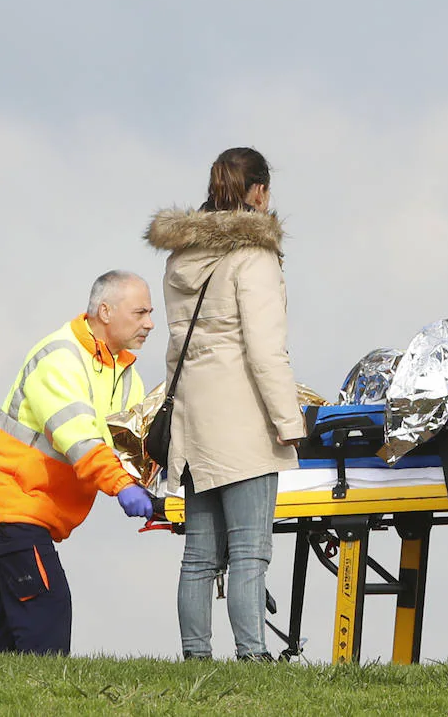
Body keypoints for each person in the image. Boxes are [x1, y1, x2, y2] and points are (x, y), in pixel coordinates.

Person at [145, 147, 305, 661]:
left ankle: (195, 655)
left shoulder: (180, 258)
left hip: (194, 418)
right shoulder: (252, 256)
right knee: (250, 552)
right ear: (258, 192)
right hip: (242, 421)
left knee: (198, 557)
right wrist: (288, 419)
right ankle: (253, 657)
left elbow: (177, 348)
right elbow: (265, 350)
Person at [0, 271, 155, 654]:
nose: (150, 323)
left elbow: (131, 450)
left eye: (150, 313)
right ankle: (44, 698)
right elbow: (79, 441)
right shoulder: (60, 357)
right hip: (12, 502)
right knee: (47, 610)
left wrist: (157, 485)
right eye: (140, 313)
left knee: (13, 624)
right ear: (105, 310)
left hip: (35, 509)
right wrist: (121, 487)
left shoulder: (128, 375)